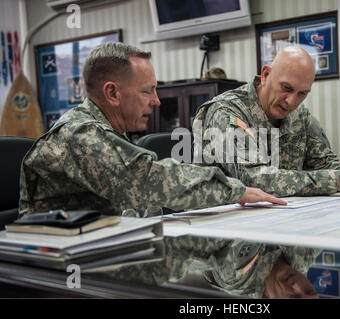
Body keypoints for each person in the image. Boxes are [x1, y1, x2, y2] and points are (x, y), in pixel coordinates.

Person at [18, 42, 317, 298]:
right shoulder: (80, 136)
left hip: (93, 259)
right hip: (56, 277)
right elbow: (149, 179)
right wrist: (236, 191)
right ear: (112, 93)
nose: (157, 101)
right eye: (147, 91)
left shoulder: (105, 131)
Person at [193, 46, 340, 197]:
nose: (292, 102)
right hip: (226, 232)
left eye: (302, 93)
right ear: (266, 75)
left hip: (282, 222)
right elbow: (255, 179)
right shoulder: (226, 112)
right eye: (286, 88)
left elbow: (324, 162)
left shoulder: (299, 116)